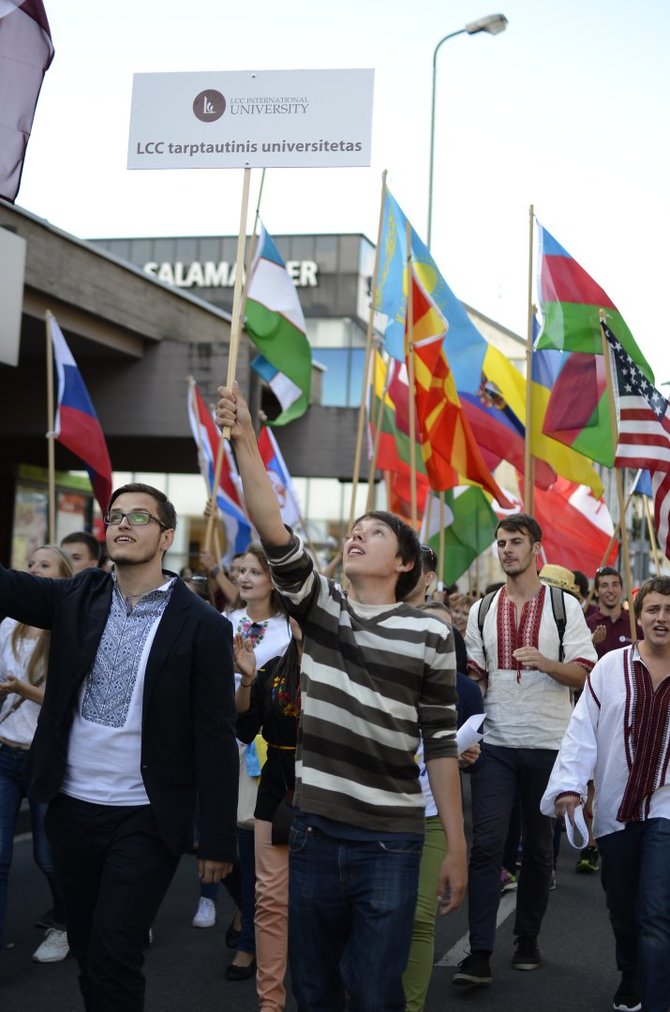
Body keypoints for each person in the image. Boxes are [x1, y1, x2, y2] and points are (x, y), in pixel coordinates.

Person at [216, 383, 466, 1012]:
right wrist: (245, 437)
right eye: (353, 530)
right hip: (315, 832)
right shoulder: (322, 608)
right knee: (316, 989)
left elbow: (439, 742)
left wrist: (458, 847)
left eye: (374, 533)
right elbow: (271, 526)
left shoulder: (432, 632)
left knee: (377, 993)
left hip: (393, 839)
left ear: (404, 563)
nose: (356, 536)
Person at [0, 482, 239, 1011]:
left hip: (145, 816)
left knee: (116, 951)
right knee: (86, 947)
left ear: (166, 536)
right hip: (71, 805)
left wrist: (218, 839)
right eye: (115, 516)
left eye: (139, 516)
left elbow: (217, 736)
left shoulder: (202, 625)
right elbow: (8, 586)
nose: (123, 523)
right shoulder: (77, 595)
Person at [453, 513, 597, 987]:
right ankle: (478, 953)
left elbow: (584, 674)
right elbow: (475, 680)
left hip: (550, 746)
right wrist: (463, 733)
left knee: (538, 851)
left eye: (516, 542)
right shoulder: (481, 609)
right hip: (495, 744)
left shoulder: (564, 607)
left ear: (536, 547)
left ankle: (528, 939)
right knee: (487, 847)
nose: (507, 549)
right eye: (501, 542)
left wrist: (548, 664)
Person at [541, 576, 670, 1012]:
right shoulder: (611, 667)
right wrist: (570, 787)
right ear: (640, 614)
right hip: (615, 809)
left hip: (667, 810)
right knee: (622, 908)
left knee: (656, 914)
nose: (662, 618)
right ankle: (630, 975)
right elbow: (582, 732)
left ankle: (655, 999)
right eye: (653, 609)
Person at [402, 599, 482, 1012]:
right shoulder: (384, 674)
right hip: (379, 816)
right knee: (370, 917)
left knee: (419, 920)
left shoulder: (459, 690)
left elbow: (454, 752)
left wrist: (464, 755)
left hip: (431, 815)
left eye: (444, 634)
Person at [0, 545, 73, 964]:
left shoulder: (67, 628)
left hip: (43, 757)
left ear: (62, 578)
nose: (32, 570)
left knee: (49, 857)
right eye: (30, 564)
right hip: (5, 755)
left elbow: (67, 698)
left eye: (43, 565)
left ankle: (66, 923)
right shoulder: (8, 623)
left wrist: (19, 689)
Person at [235, 618, 302, 1012]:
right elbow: (245, 727)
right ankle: (270, 1003)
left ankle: (331, 990)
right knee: (271, 901)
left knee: (327, 905)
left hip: (332, 797)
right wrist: (245, 681)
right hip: (277, 794)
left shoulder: (349, 665)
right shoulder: (274, 668)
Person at [587, 567, 637, 659]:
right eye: (604, 585)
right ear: (596, 592)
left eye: (615, 585)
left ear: (622, 589)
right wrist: (592, 642)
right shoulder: (587, 625)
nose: (611, 590)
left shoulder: (635, 624)